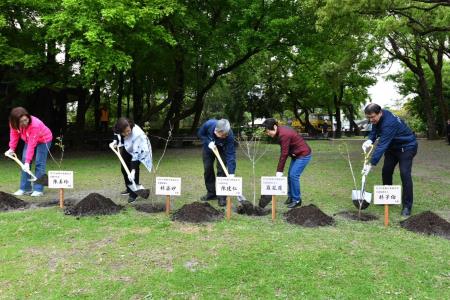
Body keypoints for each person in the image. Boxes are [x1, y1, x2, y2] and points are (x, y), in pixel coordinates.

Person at [361, 103, 418, 216]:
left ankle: (407, 206)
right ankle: (388, 199)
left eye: (373, 117)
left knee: (404, 173)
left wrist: (371, 164)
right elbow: (374, 131)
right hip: (392, 148)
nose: (371, 120)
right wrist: (370, 140)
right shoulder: (378, 118)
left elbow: (382, 145)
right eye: (369, 118)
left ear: (380, 113)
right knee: (386, 171)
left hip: (407, 147)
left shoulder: (389, 123)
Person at [262, 118, 312, 209]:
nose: (268, 133)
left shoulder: (283, 134)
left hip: (303, 154)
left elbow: (284, 153)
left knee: (293, 175)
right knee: (290, 175)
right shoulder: (279, 131)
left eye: (269, 131)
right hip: (296, 154)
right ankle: (291, 197)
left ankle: (297, 200)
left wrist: (279, 171)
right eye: (267, 132)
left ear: (274, 126)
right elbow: (285, 150)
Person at [5, 107, 53, 196]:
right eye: (21, 121)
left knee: (39, 162)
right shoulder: (13, 124)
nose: (25, 123)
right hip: (29, 139)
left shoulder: (35, 125)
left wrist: (28, 162)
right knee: (24, 163)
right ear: (15, 121)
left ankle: (38, 190)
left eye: (26, 120)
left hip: (44, 139)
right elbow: (14, 135)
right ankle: (25, 188)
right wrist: (11, 148)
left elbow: (32, 144)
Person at [110, 118, 152, 203]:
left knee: (133, 170)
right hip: (128, 146)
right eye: (124, 132)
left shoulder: (137, 134)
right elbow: (116, 134)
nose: (127, 133)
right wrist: (114, 142)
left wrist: (132, 171)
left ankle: (134, 194)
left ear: (130, 126)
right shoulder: (118, 128)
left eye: (128, 131)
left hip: (141, 149)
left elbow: (136, 154)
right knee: (124, 169)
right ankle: (129, 188)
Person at [197, 119, 236, 207]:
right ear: (217, 131)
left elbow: (231, 154)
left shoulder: (229, 135)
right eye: (223, 135)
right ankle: (211, 193)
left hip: (222, 150)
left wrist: (231, 173)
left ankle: (221, 197)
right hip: (208, 148)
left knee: (221, 170)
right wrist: (208, 142)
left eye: (226, 134)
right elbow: (200, 134)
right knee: (208, 169)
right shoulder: (209, 124)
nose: (225, 136)